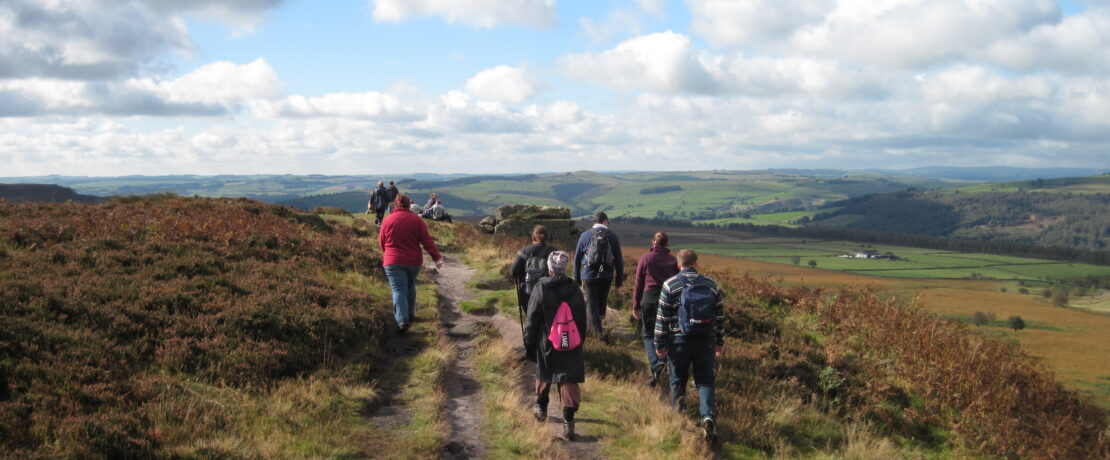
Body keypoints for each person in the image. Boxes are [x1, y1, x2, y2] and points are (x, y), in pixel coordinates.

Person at [653, 249, 725, 445]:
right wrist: (719, 342)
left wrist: (659, 343)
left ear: (679, 265)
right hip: (705, 340)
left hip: (678, 341)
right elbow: (719, 317)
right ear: (696, 263)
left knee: (677, 379)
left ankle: (679, 419)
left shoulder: (670, 285)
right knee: (705, 380)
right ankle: (708, 417)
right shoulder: (711, 285)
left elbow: (662, 318)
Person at [524, 251, 588, 441]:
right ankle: (568, 422)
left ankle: (541, 408)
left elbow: (532, 319)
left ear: (549, 268)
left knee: (544, 374)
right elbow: (582, 320)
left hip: (548, 341)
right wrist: (579, 341)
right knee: (568, 379)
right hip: (572, 341)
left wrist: (530, 344)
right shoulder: (575, 289)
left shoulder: (540, 288)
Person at [378, 194, 444, 333]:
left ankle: (402, 321)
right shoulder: (417, 220)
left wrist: (388, 254)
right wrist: (436, 258)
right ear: (409, 205)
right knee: (409, 285)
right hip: (413, 261)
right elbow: (427, 242)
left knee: (398, 289)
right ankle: (410, 315)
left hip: (392, 261)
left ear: (396, 205)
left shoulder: (388, 220)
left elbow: (381, 241)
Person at [632, 232, 679, 387]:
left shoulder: (646, 258)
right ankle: (663, 364)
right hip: (668, 299)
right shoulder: (673, 260)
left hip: (649, 299)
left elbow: (638, 282)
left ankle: (657, 364)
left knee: (647, 335)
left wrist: (636, 305)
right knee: (665, 334)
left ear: (653, 242)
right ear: (667, 244)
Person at [573, 212, 624, 335]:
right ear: (605, 221)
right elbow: (618, 260)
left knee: (591, 303)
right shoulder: (612, 236)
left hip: (588, 275)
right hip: (606, 276)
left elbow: (577, 258)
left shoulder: (585, 235)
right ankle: (598, 330)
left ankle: (595, 333)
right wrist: (619, 281)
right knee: (602, 302)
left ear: (594, 222)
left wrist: (577, 278)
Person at [511, 225, 558, 327]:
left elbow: (513, 271)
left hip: (528, 291)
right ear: (546, 237)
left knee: (530, 317)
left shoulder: (524, 251)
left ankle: (530, 338)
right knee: (548, 319)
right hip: (548, 291)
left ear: (533, 237)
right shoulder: (554, 251)